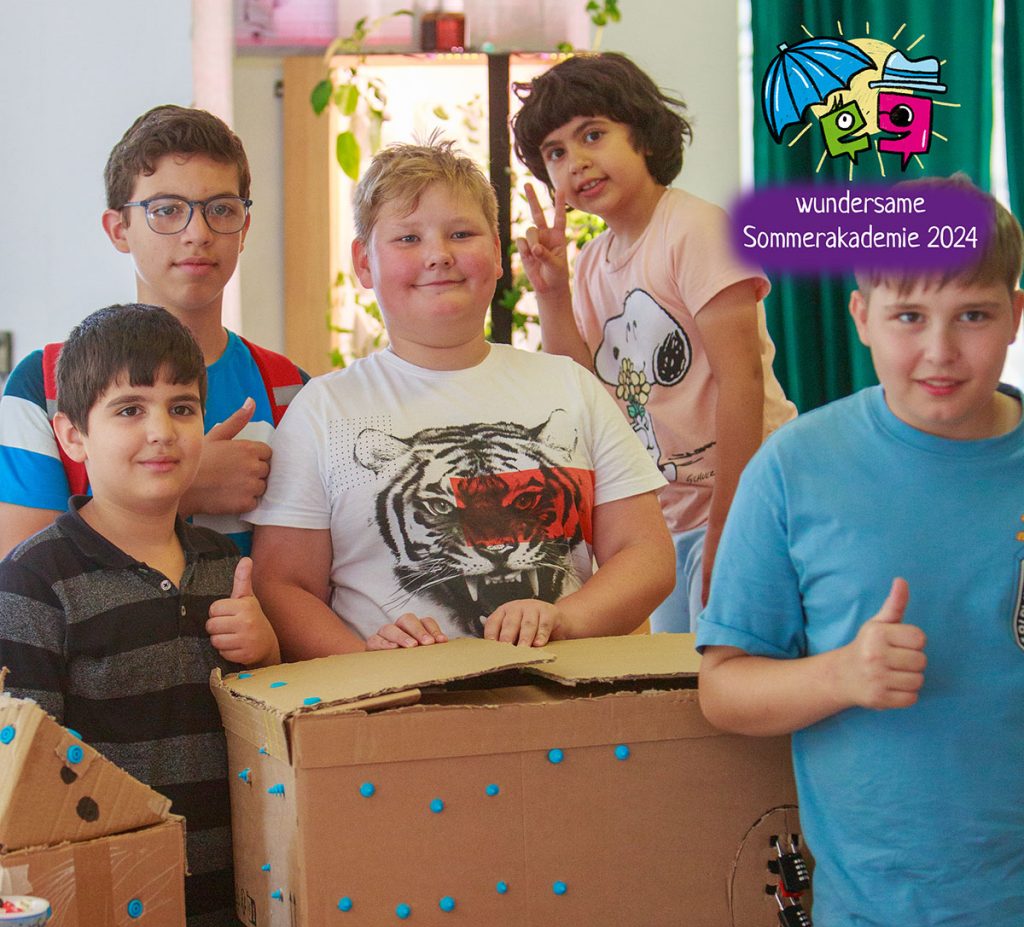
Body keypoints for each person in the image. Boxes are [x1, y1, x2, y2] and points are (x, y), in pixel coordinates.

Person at [696, 179, 1024, 927]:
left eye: (974, 315)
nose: (941, 351)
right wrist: (841, 675)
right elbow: (722, 689)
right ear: (861, 317)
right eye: (910, 316)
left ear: (1015, 316)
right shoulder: (793, 467)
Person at [246, 139, 674, 658]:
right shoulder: (324, 410)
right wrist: (363, 663)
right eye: (408, 238)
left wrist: (566, 618)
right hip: (396, 698)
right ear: (364, 263)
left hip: (559, 691)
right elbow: (283, 585)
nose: (438, 256)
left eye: (461, 234)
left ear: (495, 252)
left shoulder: (570, 386)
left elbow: (646, 554)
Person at [0, 304, 280, 927]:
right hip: (106, 917)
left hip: (237, 914)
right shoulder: (34, 581)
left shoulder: (224, 565)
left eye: (182, 408)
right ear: (72, 436)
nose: (162, 431)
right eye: (129, 410)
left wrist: (266, 655)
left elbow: (267, 734)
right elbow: (27, 777)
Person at [510, 52, 795, 632]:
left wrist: (730, 524)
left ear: (642, 134)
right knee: (677, 676)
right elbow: (583, 393)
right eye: (555, 153)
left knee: (736, 666)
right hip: (666, 519)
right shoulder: (592, 262)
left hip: (753, 501)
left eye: (593, 135)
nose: (576, 162)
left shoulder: (696, 229)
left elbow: (741, 380)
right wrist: (552, 293)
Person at [0, 104, 307, 560]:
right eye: (166, 210)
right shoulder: (42, 386)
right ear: (118, 229)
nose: (198, 233)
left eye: (221, 209)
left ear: (244, 229)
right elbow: (20, 579)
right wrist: (183, 488)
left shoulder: (291, 391)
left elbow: (305, 576)